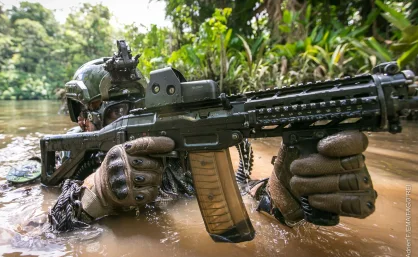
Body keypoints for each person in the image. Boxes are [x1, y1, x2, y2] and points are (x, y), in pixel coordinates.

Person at [48, 40, 377, 231]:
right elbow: (28, 237)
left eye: (140, 108)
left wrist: (282, 191)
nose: (136, 121)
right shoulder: (62, 161)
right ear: (83, 120)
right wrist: (93, 196)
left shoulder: (174, 154)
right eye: (117, 113)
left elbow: (240, 195)